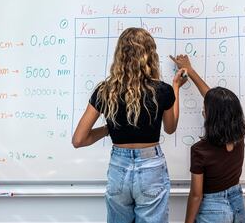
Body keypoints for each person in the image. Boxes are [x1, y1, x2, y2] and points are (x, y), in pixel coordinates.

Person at [72, 27, 187, 223]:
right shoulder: (163, 90)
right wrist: (176, 87)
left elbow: (79, 140)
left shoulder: (105, 91)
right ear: (150, 54)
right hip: (151, 167)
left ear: (120, 55)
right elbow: (170, 128)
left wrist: (108, 129)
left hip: (119, 167)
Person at [170, 54, 245, 223]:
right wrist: (189, 70)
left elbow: (196, 195)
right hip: (237, 204)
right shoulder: (239, 137)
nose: (203, 110)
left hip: (213, 209)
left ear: (210, 116)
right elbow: (220, 103)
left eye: (205, 108)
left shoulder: (200, 150)